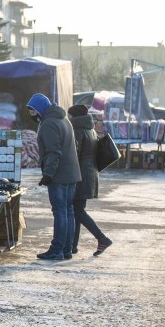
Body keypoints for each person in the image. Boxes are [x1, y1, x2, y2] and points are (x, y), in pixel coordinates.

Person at [26, 93, 81, 260]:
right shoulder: (64, 120)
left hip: (59, 175)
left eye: (33, 111)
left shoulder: (49, 123)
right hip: (72, 173)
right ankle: (67, 250)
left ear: (41, 109)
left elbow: (53, 151)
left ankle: (57, 249)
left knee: (60, 212)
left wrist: (48, 174)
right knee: (68, 211)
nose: (32, 115)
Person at [67, 105, 112, 256]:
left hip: (81, 175)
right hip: (90, 174)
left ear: (74, 116)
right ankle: (73, 245)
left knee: (77, 211)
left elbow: (75, 155)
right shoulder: (90, 129)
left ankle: (102, 238)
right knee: (77, 211)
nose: (69, 118)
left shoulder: (78, 131)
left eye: (70, 115)